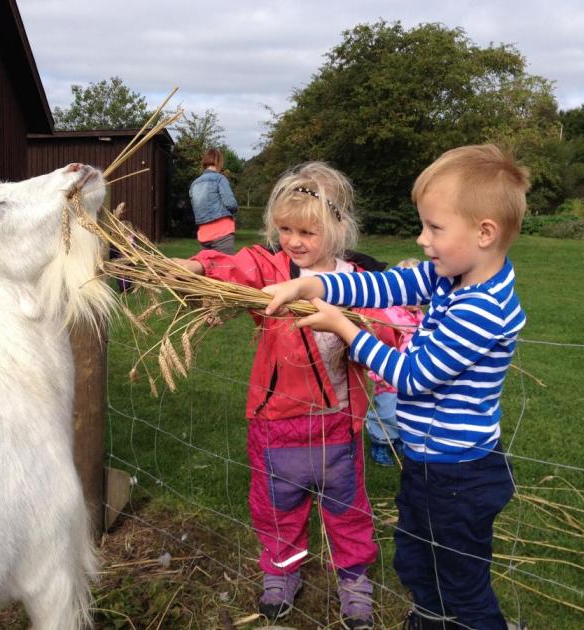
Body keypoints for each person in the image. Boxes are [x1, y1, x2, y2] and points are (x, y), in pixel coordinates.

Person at [263, 145, 530, 630]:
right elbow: (382, 288)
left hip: (459, 477)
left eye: (434, 228)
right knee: (418, 562)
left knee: (460, 583)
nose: (421, 238)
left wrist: (344, 329)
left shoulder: (482, 309)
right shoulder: (453, 278)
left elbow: (411, 375)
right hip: (430, 464)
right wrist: (312, 287)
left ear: (484, 232)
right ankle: (428, 619)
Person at [175, 162, 381, 629]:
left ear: (339, 226)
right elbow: (230, 266)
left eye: (307, 230)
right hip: (275, 421)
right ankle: (282, 571)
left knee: (347, 510)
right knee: (276, 507)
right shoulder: (270, 269)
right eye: (285, 229)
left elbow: (384, 340)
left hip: (338, 422)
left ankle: (354, 581)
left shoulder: (359, 280)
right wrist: (193, 266)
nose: (294, 241)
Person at [365, 258, 423, 467]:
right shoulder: (387, 316)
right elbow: (377, 345)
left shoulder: (420, 316)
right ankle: (380, 441)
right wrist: (378, 374)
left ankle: (399, 438)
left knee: (406, 410)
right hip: (388, 377)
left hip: (411, 376)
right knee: (386, 411)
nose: (417, 297)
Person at [189, 148, 238, 254]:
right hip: (222, 232)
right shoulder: (220, 179)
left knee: (209, 269)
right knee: (225, 268)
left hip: (204, 234)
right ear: (219, 162)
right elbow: (231, 204)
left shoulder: (194, 184)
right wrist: (235, 210)